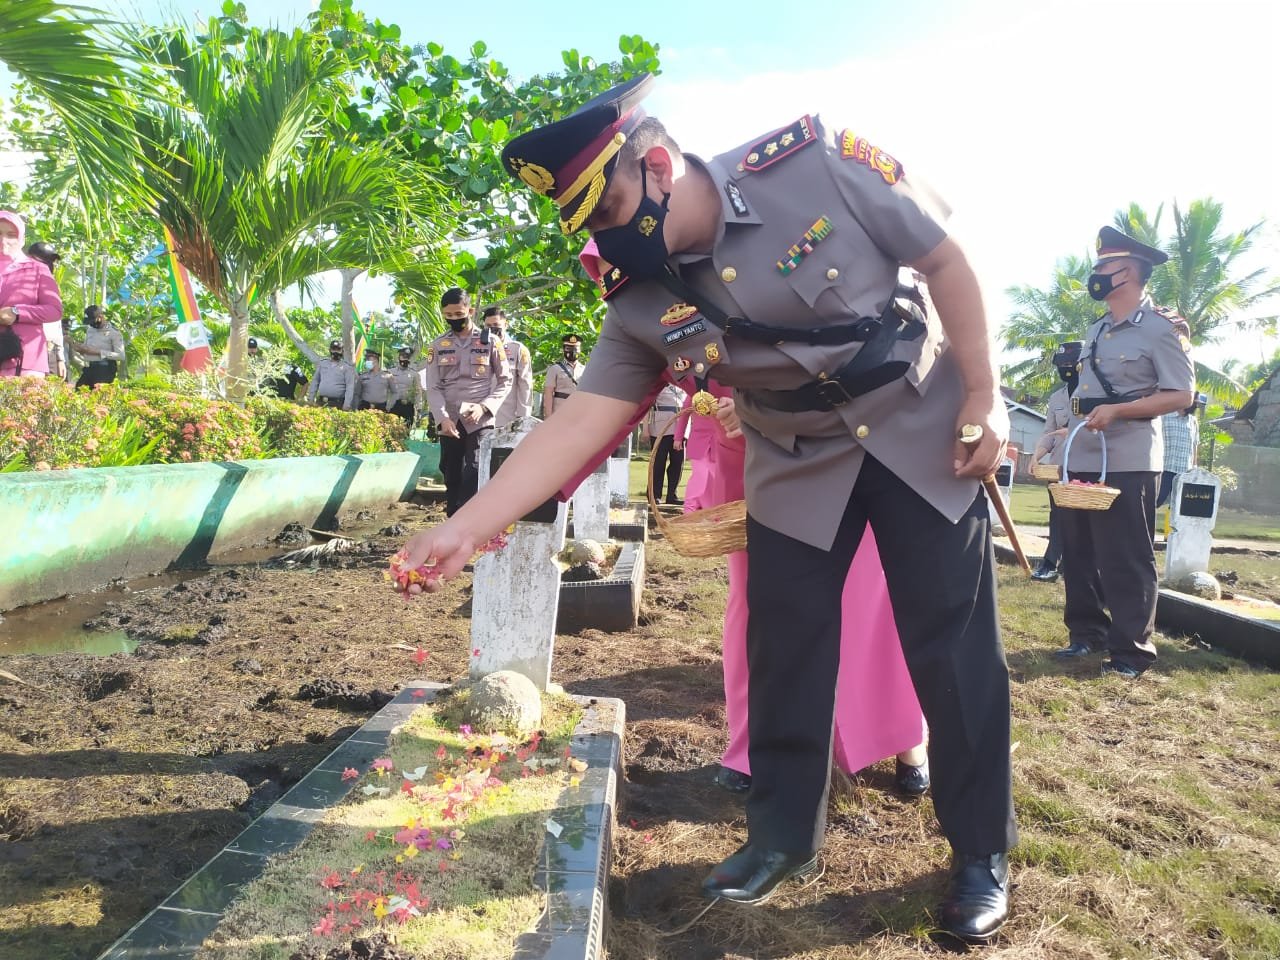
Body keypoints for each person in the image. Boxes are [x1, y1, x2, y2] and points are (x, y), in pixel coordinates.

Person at [400, 75, 1015, 942]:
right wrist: (466, 525)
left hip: (919, 431)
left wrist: (983, 394)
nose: (605, 236)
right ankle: (780, 837)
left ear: (656, 163)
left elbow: (944, 258)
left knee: (952, 652)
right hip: (797, 465)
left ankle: (980, 852)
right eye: (588, 225)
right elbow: (581, 421)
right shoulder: (639, 296)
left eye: (609, 210)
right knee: (785, 650)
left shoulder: (816, 165)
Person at [577, 236, 931, 799]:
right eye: (606, 273)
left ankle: (904, 735)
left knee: (869, 595)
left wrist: (760, 407)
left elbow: (828, 347)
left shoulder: (743, 270)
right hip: (746, 470)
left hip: (833, 452)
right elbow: (602, 411)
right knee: (755, 608)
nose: (618, 284)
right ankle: (751, 742)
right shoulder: (642, 317)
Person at [1054, 227, 1196, 676]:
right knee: (1076, 553)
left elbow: (1181, 395)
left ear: (1129, 271)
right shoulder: (1097, 329)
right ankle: (1085, 635)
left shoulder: (1161, 329)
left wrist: (1119, 411)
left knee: (1125, 557)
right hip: (1083, 453)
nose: (1095, 274)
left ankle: (1132, 652)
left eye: (1103, 267)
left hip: (1129, 456)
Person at [422, 288, 512, 516]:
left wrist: (484, 407)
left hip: (479, 419)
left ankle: (467, 519)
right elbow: (433, 386)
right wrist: (442, 418)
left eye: (458, 314)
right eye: (448, 316)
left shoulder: (491, 342)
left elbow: (505, 380)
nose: (454, 319)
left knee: (474, 469)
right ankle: (453, 516)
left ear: (470, 311)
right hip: (449, 419)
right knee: (450, 471)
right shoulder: (437, 345)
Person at [1030, 341, 1082, 582]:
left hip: (1086, 467)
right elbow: (1049, 434)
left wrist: (1071, 430)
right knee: (1058, 516)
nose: (1066, 369)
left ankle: (1070, 566)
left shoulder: (1094, 393)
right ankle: (1051, 564)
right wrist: (1036, 456)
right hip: (1058, 468)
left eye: (1071, 364)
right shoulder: (1057, 398)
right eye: (1062, 365)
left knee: (1081, 520)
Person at [0, 211, 62, 378]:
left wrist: (16, 312)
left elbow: (54, 310)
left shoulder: (38, 269)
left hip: (24, 361)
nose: (3, 240)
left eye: (11, 235)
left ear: (21, 238)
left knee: (21, 403)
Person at [483, 306, 534, 427]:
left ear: (506, 325)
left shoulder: (518, 350)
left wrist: (523, 418)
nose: (492, 329)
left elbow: (525, 386)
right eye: (488, 326)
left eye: (496, 324)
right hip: (480, 418)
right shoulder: (476, 349)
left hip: (507, 419)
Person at [645, 381, 688, 504]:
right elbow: (647, 406)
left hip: (679, 429)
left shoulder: (683, 385)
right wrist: (645, 429)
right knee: (658, 463)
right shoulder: (657, 383)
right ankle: (654, 495)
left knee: (678, 463)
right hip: (660, 429)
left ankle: (672, 495)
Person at [1156, 401, 1199, 508]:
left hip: (1184, 473)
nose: (1196, 405)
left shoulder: (1193, 421)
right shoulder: (1164, 416)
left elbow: (1195, 446)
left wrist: (1194, 469)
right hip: (1165, 470)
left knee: (1180, 509)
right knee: (1155, 502)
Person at [72, 305, 126, 388]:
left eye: (92, 321)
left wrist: (99, 352)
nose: (91, 324)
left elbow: (121, 356)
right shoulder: (90, 330)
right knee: (79, 390)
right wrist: (80, 348)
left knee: (99, 396)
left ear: (100, 317)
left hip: (105, 369)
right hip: (89, 368)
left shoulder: (113, 332)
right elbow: (88, 348)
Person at [541, 333, 585, 417]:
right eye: (569, 348)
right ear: (563, 349)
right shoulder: (555, 369)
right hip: (560, 412)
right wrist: (548, 417)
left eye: (576, 348)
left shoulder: (585, 370)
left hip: (579, 413)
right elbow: (548, 394)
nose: (573, 351)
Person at [307, 339, 356, 410]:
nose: (335, 352)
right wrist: (310, 399)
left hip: (337, 404)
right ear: (330, 350)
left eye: (338, 349)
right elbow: (315, 381)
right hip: (320, 402)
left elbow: (350, 387)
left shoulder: (347, 368)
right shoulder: (322, 363)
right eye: (334, 349)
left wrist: (347, 404)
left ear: (342, 351)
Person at [387, 346, 419, 425]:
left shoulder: (414, 374)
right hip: (393, 405)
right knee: (391, 430)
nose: (405, 359)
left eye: (407, 357)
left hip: (408, 405)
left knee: (406, 430)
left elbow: (418, 391)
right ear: (399, 357)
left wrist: (419, 407)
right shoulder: (390, 372)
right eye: (403, 356)